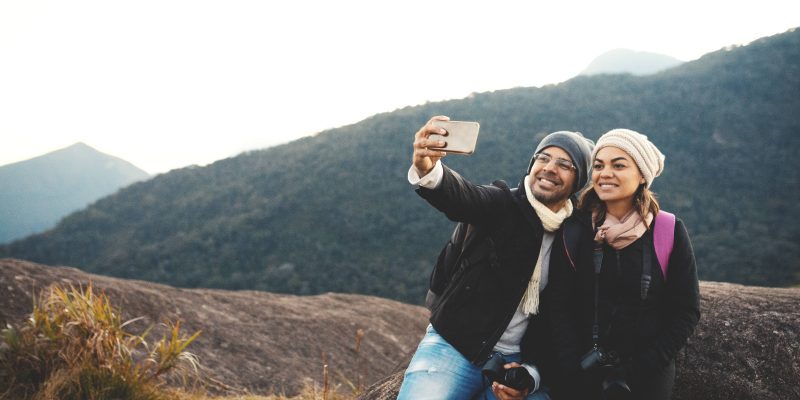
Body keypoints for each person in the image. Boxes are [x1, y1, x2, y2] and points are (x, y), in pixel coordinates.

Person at [397, 115, 594, 400]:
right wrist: (428, 167)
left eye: (565, 165)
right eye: (543, 158)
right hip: (455, 346)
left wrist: (533, 374)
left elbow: (566, 318)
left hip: (516, 362)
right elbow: (463, 197)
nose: (550, 169)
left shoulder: (575, 236)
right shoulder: (503, 203)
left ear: (579, 180)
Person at [548, 129, 701, 400]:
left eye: (618, 165)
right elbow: (558, 304)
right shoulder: (575, 229)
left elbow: (686, 310)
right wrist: (573, 364)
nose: (605, 173)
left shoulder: (668, 230)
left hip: (646, 375)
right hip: (581, 370)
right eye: (598, 165)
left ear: (642, 175)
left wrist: (642, 366)